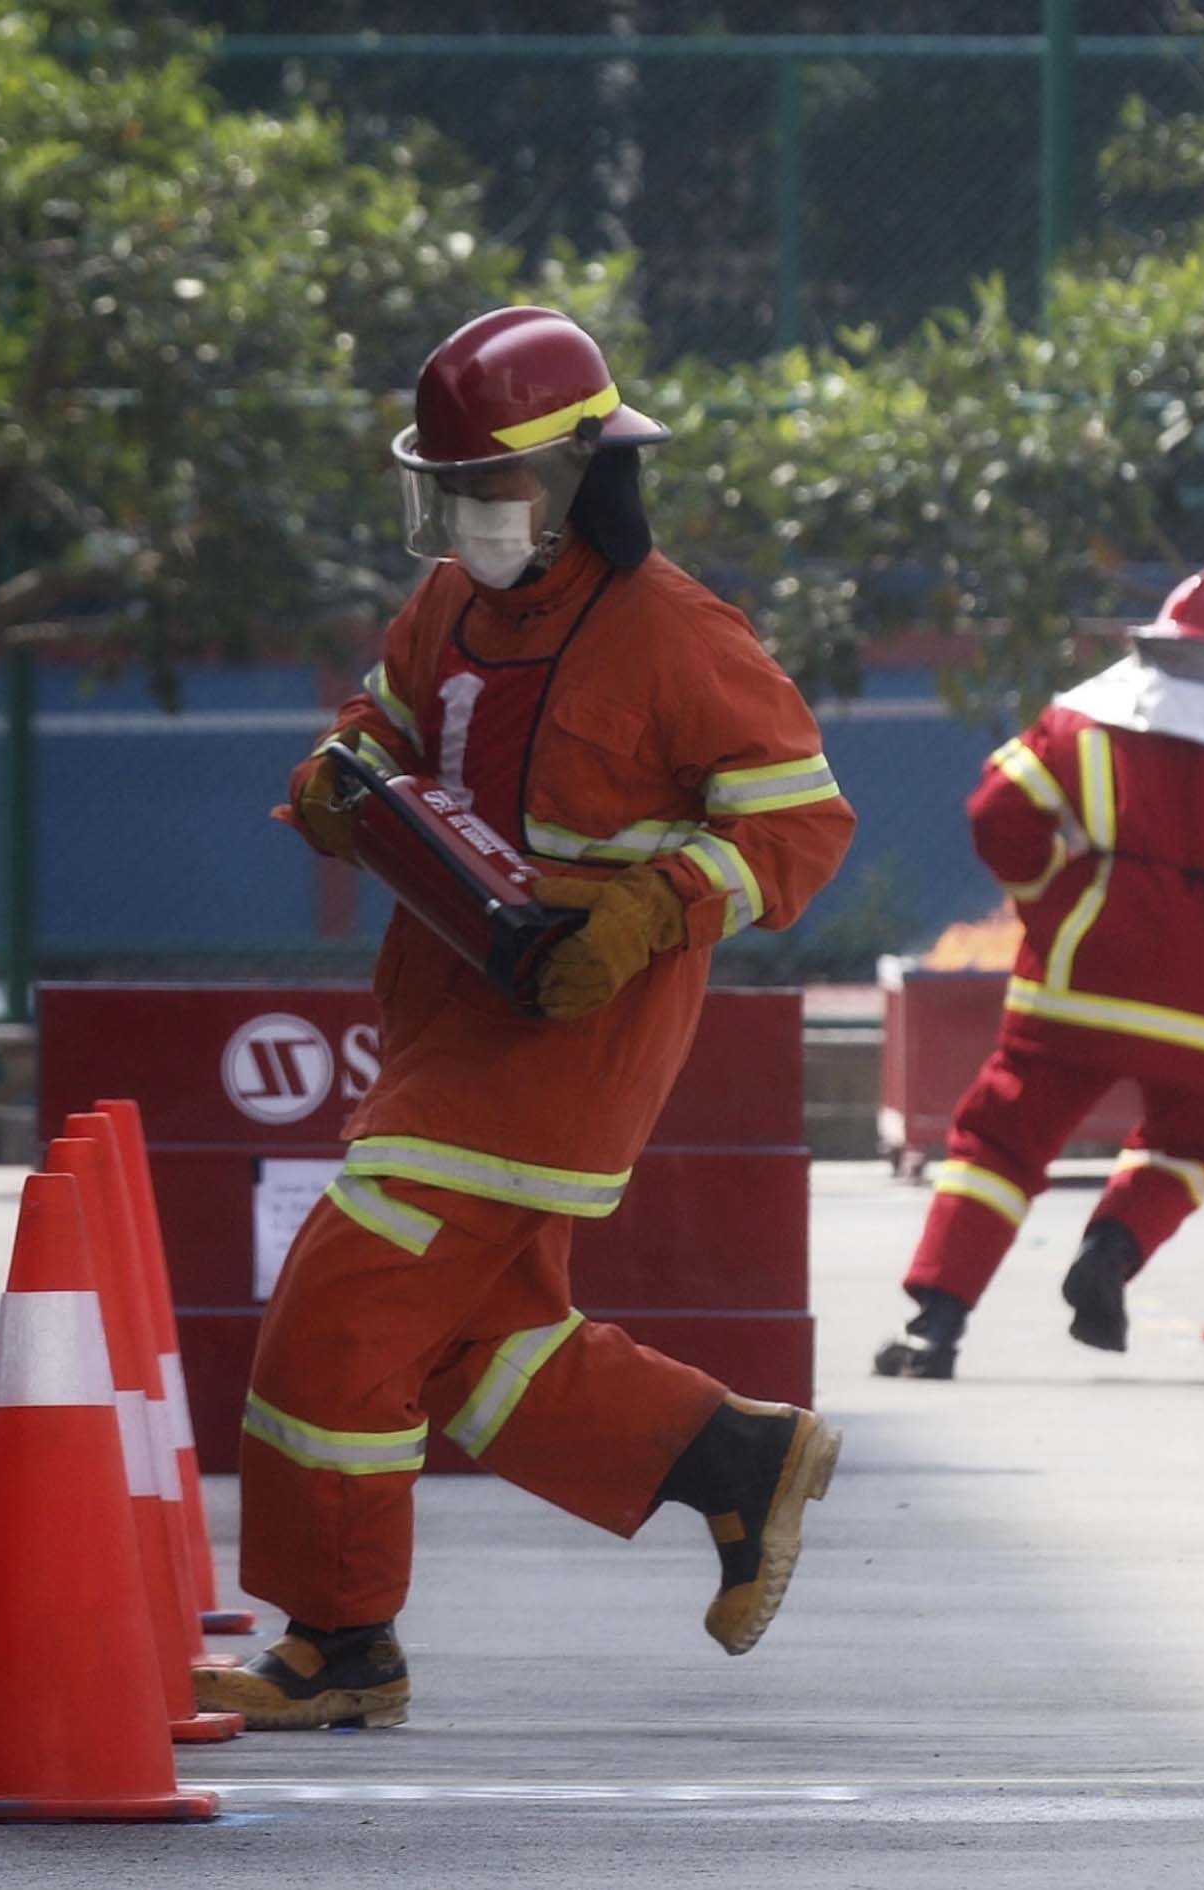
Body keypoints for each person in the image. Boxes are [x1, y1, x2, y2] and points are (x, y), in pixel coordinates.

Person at [201, 306, 856, 1731]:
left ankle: (340, 1640)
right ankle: (731, 1458)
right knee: (469, 1347)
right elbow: (381, 731)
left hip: (570, 1033)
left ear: (579, 478)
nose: (468, 518)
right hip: (443, 1010)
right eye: (447, 492)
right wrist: (334, 777)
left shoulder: (677, 630)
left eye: (489, 490)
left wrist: (642, 913)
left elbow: (801, 827)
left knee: (339, 1308)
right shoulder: (446, 604)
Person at [876, 565, 1204, 1380]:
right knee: (1190, 1143)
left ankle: (935, 1322)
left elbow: (998, 816)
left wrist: (1049, 901)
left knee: (1000, 1141)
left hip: (1081, 983)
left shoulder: (1081, 722)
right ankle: (1111, 1249)